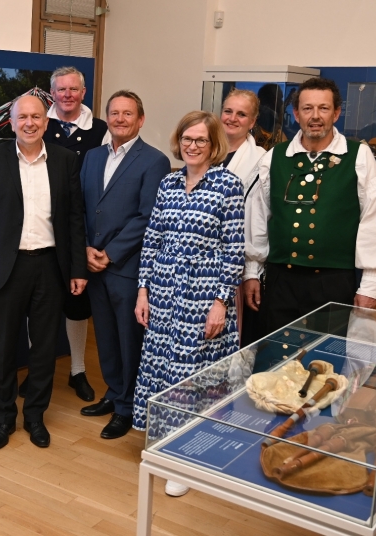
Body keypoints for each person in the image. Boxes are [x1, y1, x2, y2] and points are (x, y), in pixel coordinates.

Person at [133, 110, 245, 496]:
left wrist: (221, 302)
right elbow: (153, 239)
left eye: (200, 140)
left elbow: (234, 250)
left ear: (214, 145)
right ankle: (165, 445)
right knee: (163, 370)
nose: (192, 146)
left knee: (197, 375)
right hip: (163, 292)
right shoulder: (167, 182)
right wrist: (143, 290)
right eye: (186, 139)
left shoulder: (228, 184)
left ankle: (190, 455)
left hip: (202, 294)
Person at [0, 94, 88, 450]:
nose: (30, 123)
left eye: (37, 117)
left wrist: (78, 268)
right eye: (23, 117)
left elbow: (74, 219)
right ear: (13, 122)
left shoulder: (66, 160)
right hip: (7, 266)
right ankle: (4, 418)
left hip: (51, 266)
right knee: (3, 347)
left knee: (44, 348)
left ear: (46, 122)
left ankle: (35, 416)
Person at [243, 77, 376, 334]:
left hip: (333, 282)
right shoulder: (275, 158)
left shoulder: (358, 156)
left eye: (323, 108)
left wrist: (370, 286)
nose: (315, 116)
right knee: (276, 357)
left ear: (336, 113)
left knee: (326, 362)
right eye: (307, 108)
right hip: (281, 281)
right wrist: (252, 271)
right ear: (296, 113)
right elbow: (257, 218)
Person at [77, 90, 169, 440]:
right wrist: (86, 249)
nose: (119, 119)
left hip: (126, 267)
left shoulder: (154, 160)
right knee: (105, 337)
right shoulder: (92, 156)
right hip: (93, 264)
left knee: (130, 339)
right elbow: (84, 208)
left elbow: (147, 216)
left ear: (140, 120)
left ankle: (128, 406)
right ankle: (113, 394)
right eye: (114, 113)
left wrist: (110, 253)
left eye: (127, 114)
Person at [21, 66, 111, 402]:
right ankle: (36, 369)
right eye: (60, 90)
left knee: (77, 305)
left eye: (73, 89)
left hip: (80, 228)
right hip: (41, 229)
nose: (67, 95)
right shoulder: (38, 124)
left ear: (83, 92)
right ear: (51, 93)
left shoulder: (100, 130)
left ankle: (77, 370)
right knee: (36, 308)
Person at [219, 88, 268, 347]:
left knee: (231, 338)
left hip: (236, 266)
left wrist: (252, 272)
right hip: (201, 263)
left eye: (241, 114)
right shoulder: (204, 151)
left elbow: (259, 222)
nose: (232, 118)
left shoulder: (262, 161)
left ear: (253, 121)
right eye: (228, 111)